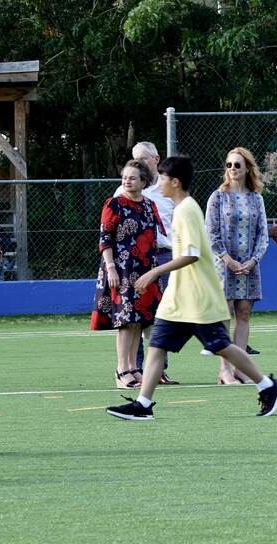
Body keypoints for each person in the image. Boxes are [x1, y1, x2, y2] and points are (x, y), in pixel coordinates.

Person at [105, 156, 277, 421]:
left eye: (163, 178)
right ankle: (143, 405)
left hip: (196, 299)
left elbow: (191, 254)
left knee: (221, 345)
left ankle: (269, 387)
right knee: (157, 346)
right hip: (178, 300)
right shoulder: (180, 208)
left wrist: (153, 273)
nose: (160, 183)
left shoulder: (187, 210)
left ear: (175, 182)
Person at [90, 160, 165, 388]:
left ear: (144, 182)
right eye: (125, 177)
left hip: (144, 270)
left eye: (133, 178)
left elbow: (154, 238)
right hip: (121, 270)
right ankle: (121, 370)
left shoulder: (149, 205)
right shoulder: (114, 204)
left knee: (137, 321)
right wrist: (111, 267)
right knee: (124, 321)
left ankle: (134, 368)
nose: (127, 181)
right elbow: (105, 239)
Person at [114, 141, 179, 385]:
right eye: (135, 158)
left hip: (165, 257)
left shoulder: (168, 188)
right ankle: (132, 369)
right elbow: (110, 233)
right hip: (135, 261)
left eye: (144, 158)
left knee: (163, 315)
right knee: (135, 316)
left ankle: (158, 370)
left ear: (156, 158)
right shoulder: (122, 194)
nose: (140, 163)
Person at [205, 147, 269, 384]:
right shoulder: (218, 197)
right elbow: (210, 231)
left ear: (247, 169)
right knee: (225, 313)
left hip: (249, 265)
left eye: (237, 165)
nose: (232, 169)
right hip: (224, 265)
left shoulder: (256, 198)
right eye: (229, 165)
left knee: (244, 313)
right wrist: (227, 259)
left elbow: (263, 233)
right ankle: (224, 370)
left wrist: (253, 261)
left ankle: (240, 369)